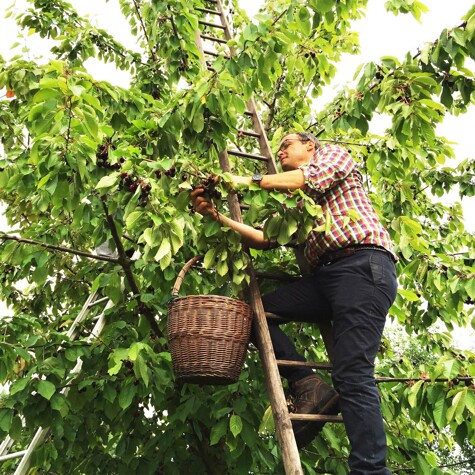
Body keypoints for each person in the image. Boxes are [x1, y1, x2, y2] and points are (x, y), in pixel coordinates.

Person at [191, 132, 398, 474]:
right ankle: (307, 382)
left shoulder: (334, 158)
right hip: (326, 279)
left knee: (352, 373)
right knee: (253, 315)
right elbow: (264, 238)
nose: (281, 151)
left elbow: (307, 178)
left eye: (287, 144)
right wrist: (215, 216)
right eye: (278, 148)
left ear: (310, 147)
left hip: (363, 266)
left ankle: (371, 471)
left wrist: (242, 180)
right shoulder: (298, 205)